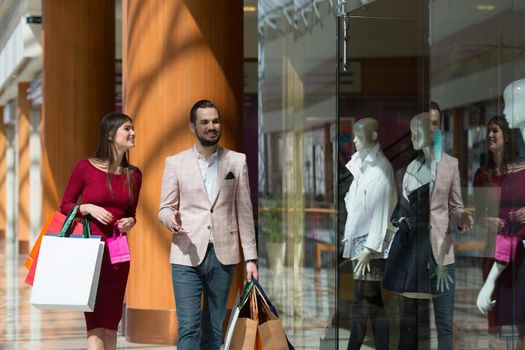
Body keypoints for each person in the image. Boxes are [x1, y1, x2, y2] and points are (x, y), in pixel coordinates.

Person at [158, 99, 258, 350]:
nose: (211, 126)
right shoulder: (175, 163)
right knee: (188, 328)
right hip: (186, 255)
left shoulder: (237, 161)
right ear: (192, 127)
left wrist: (251, 259)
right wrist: (171, 219)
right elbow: (164, 209)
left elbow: (244, 212)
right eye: (204, 122)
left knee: (214, 330)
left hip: (224, 256)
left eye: (215, 121)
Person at [383, 112, 473, 350]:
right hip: (414, 253)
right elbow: (402, 210)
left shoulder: (450, 164)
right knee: (410, 322)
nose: (412, 137)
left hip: (443, 254)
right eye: (411, 132)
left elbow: (455, 206)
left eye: (416, 132)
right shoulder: (410, 168)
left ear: (430, 133)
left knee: (444, 324)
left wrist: (462, 218)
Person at [60, 113, 142, 350]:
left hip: (118, 254)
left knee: (111, 324)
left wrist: (131, 222)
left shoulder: (134, 175)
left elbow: (132, 213)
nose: (133, 133)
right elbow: (65, 205)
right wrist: (87, 208)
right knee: (95, 324)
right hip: (89, 252)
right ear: (109, 135)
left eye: (133, 128)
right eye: (127, 129)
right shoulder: (85, 168)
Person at [477, 79, 525, 349]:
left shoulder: (516, 170)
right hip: (504, 250)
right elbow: (493, 218)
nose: (507, 112)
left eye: (512, 104)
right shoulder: (497, 173)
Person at [342, 118, 397, 350]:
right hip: (361, 244)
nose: (354, 140)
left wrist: (369, 249)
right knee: (371, 303)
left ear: (373, 137)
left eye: (358, 135)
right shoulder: (361, 165)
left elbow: (382, 211)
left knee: (363, 303)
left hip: (371, 249)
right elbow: (354, 202)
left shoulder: (382, 169)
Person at [473, 116, 514, 335]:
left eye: (495, 130)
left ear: (506, 136)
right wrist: (488, 221)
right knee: (493, 302)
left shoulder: (518, 171)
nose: (490, 135)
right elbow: (478, 215)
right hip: (491, 245)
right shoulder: (482, 175)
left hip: (517, 243)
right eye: (488, 131)